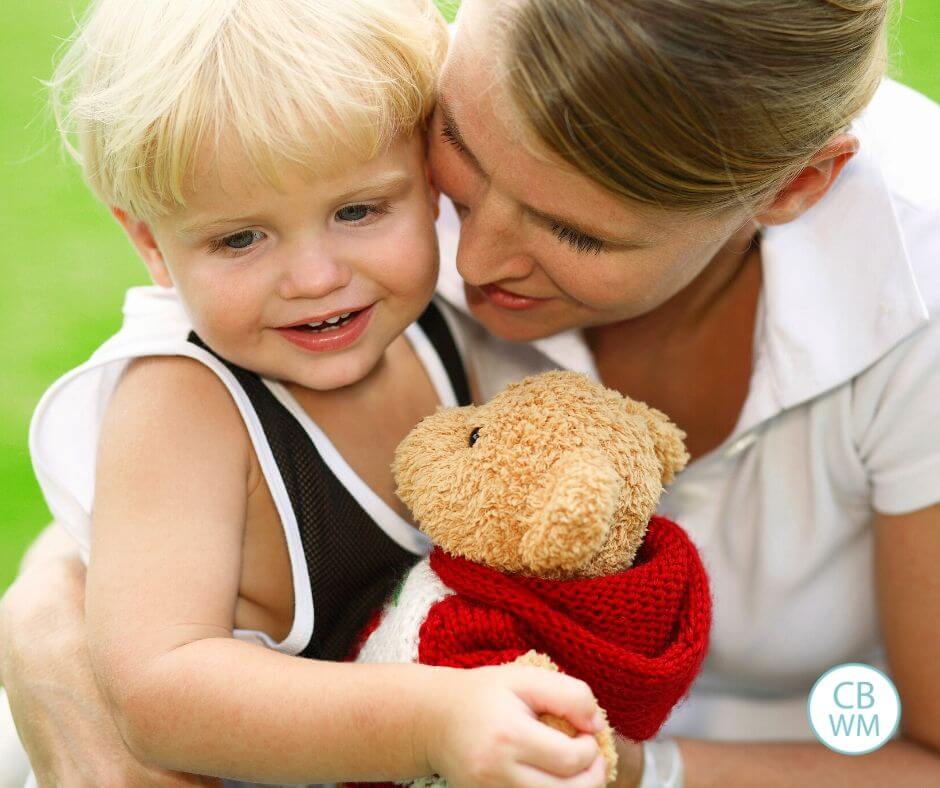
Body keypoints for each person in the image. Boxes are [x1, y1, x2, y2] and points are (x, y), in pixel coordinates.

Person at [3, 0, 940, 785]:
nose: (473, 259)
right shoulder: (342, 186)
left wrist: (625, 766)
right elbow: (149, 617)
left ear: (794, 188)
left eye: (578, 233)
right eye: (460, 154)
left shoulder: (911, 287)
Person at [0, 0, 615, 786]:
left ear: (430, 183)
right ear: (151, 243)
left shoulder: (437, 325)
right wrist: (430, 720)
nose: (316, 278)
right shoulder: (185, 404)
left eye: (357, 211)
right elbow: (157, 691)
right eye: (240, 238)